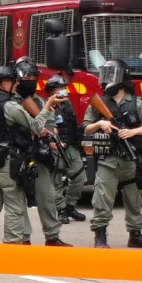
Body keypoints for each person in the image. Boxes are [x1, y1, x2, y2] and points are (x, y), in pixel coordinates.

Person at [0, 66, 64, 245]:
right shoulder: (9, 106)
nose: (16, 84)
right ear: (3, 83)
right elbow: (35, 126)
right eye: (12, 81)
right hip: (7, 161)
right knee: (14, 206)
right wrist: (47, 106)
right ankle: (12, 244)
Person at [83, 60, 142, 249]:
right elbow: (86, 128)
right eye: (105, 75)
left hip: (130, 160)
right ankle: (100, 236)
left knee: (134, 200)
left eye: (111, 75)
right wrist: (100, 124)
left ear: (122, 78)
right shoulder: (98, 103)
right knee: (102, 199)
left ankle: (136, 234)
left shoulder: (136, 102)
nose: (106, 80)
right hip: (108, 160)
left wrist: (132, 132)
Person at [12, 58, 71, 247]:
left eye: (34, 77)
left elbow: (51, 125)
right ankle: (24, 238)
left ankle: (52, 236)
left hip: (38, 155)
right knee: (19, 200)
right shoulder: (10, 102)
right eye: (27, 77)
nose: (31, 80)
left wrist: (51, 136)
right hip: (18, 155)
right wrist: (34, 130)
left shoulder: (38, 101)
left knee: (47, 196)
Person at [45, 76, 86, 225]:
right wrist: (53, 140)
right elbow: (46, 125)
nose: (64, 90)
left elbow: (72, 124)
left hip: (70, 144)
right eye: (60, 88)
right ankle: (61, 210)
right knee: (56, 181)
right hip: (55, 146)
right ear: (52, 91)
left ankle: (69, 206)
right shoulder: (48, 106)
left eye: (64, 87)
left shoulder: (67, 104)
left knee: (80, 176)